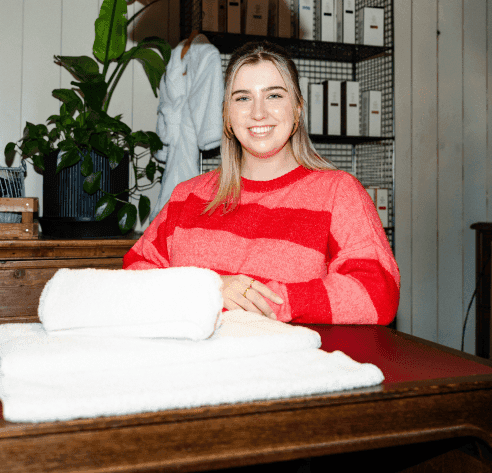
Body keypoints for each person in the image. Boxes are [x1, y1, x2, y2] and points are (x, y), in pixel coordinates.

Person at [123, 41, 400, 324]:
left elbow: (377, 294)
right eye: (242, 98)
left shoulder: (338, 192)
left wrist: (258, 300)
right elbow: (134, 274)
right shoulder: (186, 196)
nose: (258, 113)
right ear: (226, 115)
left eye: (274, 96)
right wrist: (210, 288)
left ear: (297, 108)